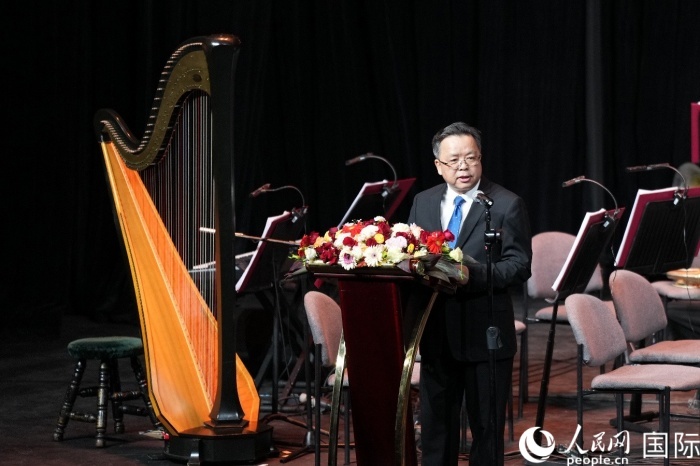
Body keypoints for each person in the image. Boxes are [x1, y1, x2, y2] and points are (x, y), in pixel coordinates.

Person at [407, 121, 532, 466]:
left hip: (485, 334)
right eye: (453, 160)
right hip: (437, 334)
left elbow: (519, 266)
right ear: (439, 165)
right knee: (436, 431)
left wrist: (469, 274)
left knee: (486, 431)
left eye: (470, 158)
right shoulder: (423, 201)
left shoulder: (505, 204)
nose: (463, 166)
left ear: (480, 159)